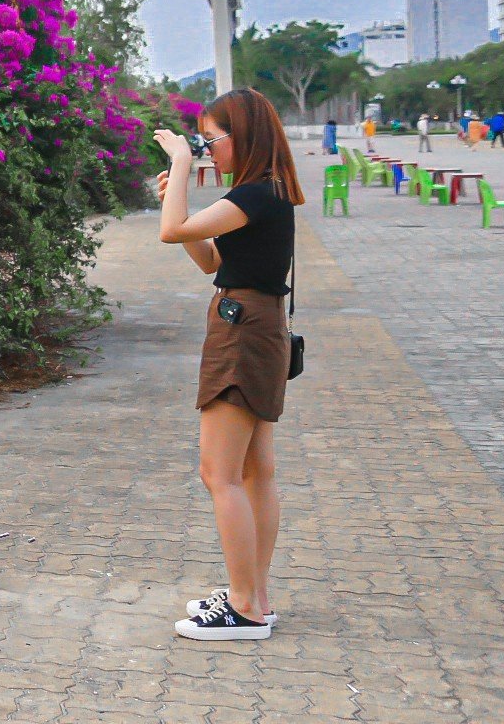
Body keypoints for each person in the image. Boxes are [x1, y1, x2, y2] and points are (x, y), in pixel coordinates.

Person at [153, 88, 302, 641]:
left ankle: (242, 606)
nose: (208, 151)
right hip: (258, 324)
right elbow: (210, 259)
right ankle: (255, 596)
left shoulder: (257, 195)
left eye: (212, 140)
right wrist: (183, 197)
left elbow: (170, 229)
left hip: (243, 333)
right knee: (253, 471)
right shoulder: (263, 192)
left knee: (219, 473)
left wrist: (180, 166)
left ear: (243, 137)